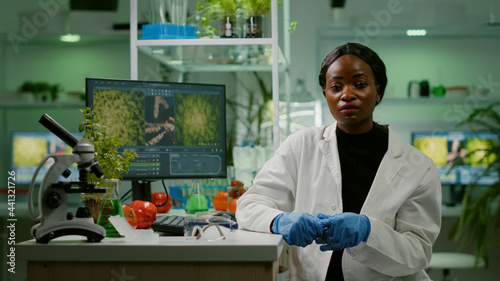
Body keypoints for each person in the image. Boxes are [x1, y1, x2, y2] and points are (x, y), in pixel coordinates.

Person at [236, 42, 442, 281]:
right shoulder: (300, 146)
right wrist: (279, 220)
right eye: (336, 86)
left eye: (360, 84)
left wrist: (368, 232)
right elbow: (249, 205)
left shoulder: (418, 167)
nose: (347, 94)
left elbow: (417, 254)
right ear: (326, 94)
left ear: (378, 91)